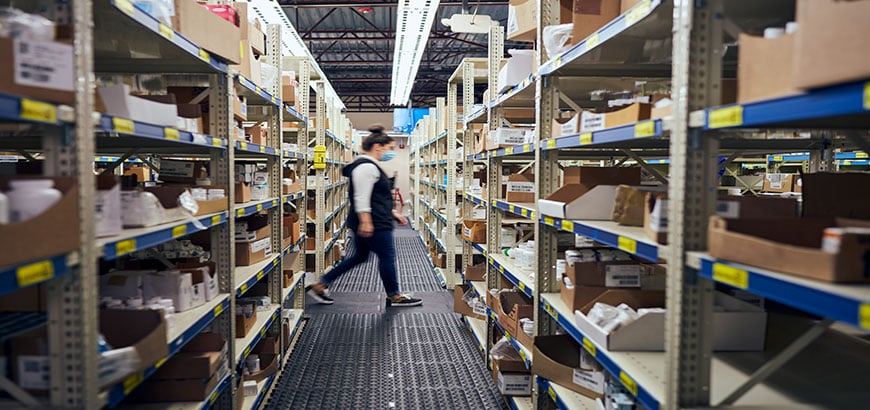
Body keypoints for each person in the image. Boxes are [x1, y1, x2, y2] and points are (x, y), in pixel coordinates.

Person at [305, 126, 423, 307]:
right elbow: (361, 196)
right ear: (377, 146)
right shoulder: (366, 167)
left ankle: (321, 284)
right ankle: (395, 295)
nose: (389, 152)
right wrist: (366, 221)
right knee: (387, 257)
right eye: (389, 148)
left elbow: (375, 196)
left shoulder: (367, 166)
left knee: (359, 257)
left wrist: (392, 212)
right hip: (374, 223)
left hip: (372, 219)